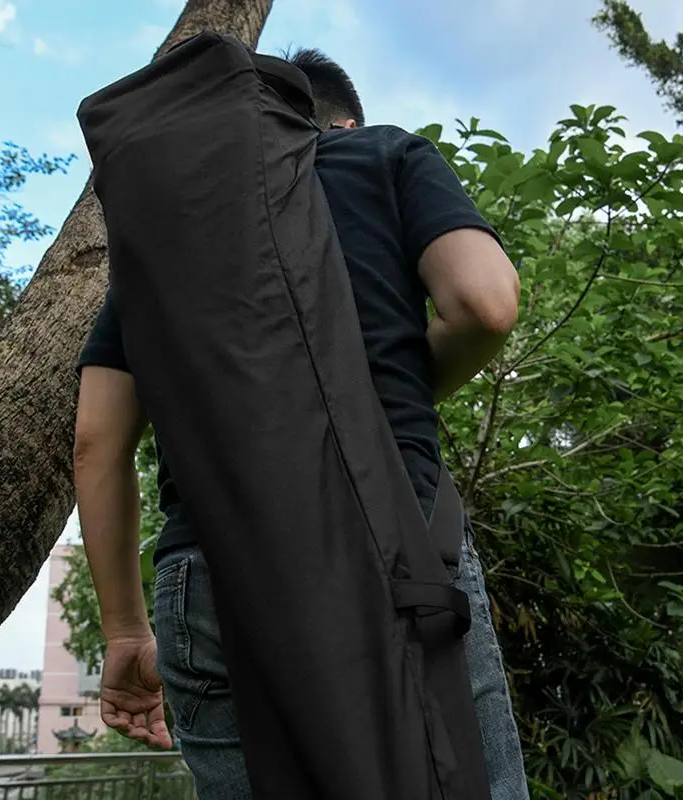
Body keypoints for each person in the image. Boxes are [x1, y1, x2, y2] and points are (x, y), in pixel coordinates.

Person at [73, 47, 528, 800]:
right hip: (400, 541)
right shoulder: (386, 154)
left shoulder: (165, 249)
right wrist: (391, 405)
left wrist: (124, 631)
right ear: (340, 120)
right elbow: (486, 303)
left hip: (206, 572)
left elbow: (98, 443)